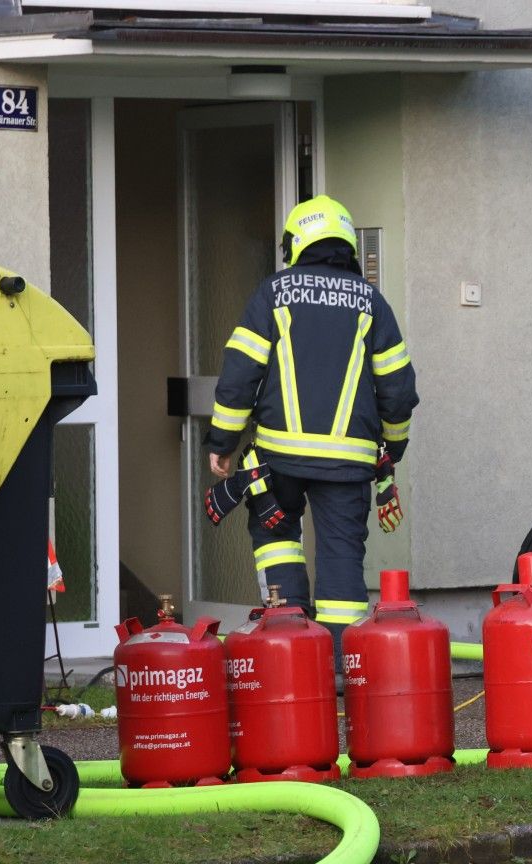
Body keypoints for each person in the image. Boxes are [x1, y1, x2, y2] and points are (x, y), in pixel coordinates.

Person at [206, 194, 418, 669]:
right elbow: (398, 388)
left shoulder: (273, 293)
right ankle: (343, 672)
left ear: (297, 244)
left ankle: (291, 659)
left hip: (277, 461)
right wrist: (395, 444)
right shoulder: (371, 303)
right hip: (347, 465)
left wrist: (223, 442)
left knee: (275, 538)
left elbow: (240, 374)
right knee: (342, 559)